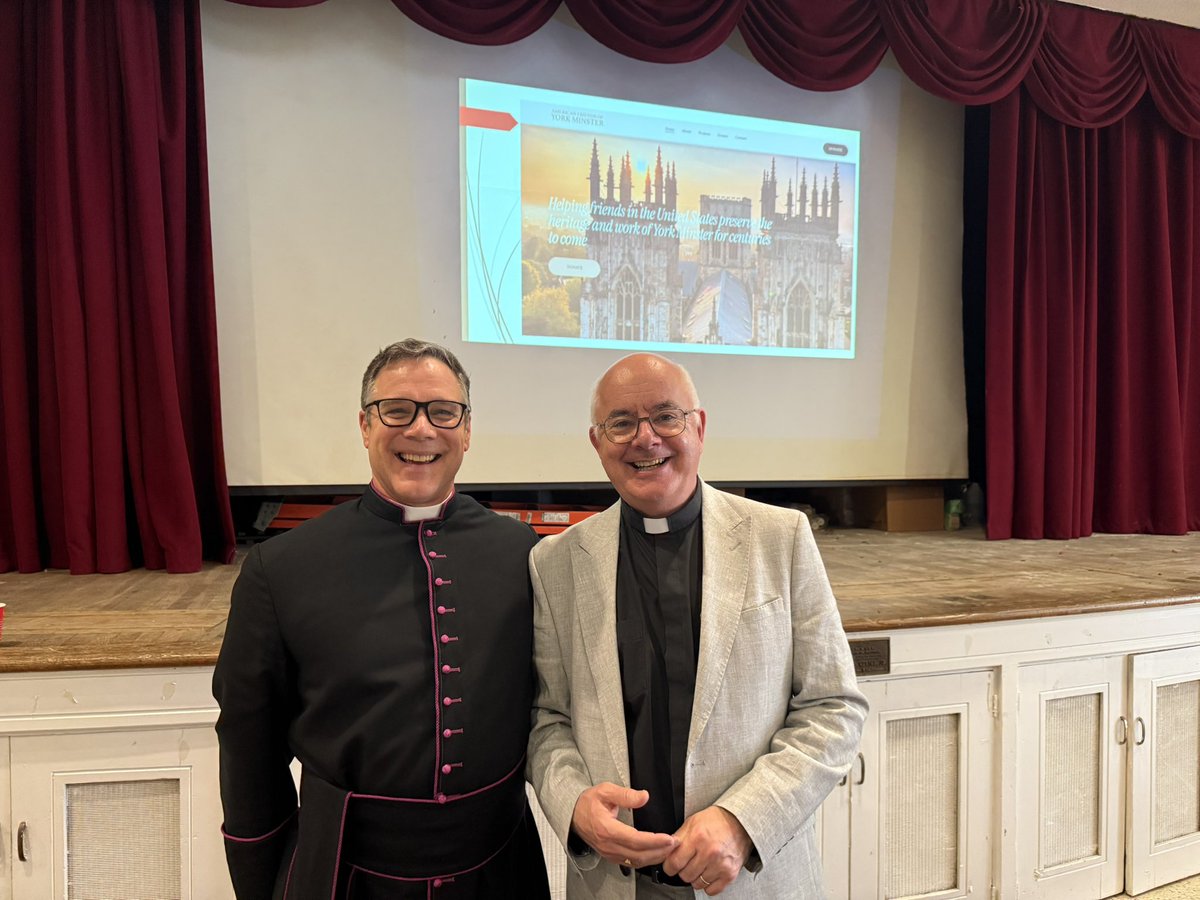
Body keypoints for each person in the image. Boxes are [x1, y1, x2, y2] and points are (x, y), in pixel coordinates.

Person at [213, 339, 550, 900]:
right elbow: (250, 753)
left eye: (443, 412)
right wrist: (259, 883)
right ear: (365, 425)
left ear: (466, 431)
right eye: (397, 410)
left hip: (499, 868)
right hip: (346, 873)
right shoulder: (283, 567)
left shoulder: (522, 552)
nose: (422, 430)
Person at [527, 353, 867, 899]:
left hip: (751, 877)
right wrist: (575, 806)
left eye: (667, 416)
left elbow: (834, 708)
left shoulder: (780, 539)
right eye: (621, 423)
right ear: (597, 442)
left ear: (699, 427)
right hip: (616, 884)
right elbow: (547, 718)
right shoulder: (556, 564)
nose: (646, 439)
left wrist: (741, 820)